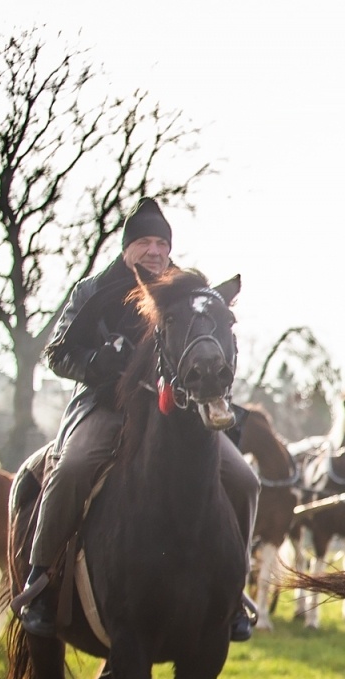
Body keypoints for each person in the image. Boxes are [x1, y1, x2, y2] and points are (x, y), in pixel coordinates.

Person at [15, 197, 259, 642]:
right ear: (127, 249)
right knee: (70, 469)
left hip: (177, 415)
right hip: (108, 409)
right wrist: (99, 361)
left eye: (161, 242)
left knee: (245, 480)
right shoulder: (91, 292)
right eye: (144, 241)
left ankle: (234, 589)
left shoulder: (187, 294)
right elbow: (57, 354)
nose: (153, 250)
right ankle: (41, 582)